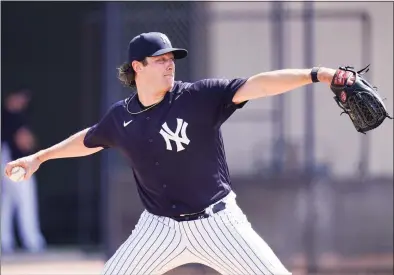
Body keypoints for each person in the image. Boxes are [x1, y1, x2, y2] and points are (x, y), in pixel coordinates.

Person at [4, 32, 337, 274]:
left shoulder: (198, 97)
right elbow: (89, 139)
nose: (169, 65)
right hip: (158, 229)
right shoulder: (122, 116)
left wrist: (317, 75)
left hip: (218, 222)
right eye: (160, 60)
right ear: (138, 66)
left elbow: (259, 84)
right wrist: (39, 157)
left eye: (171, 60)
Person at [1, 89, 46, 254]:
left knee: (6, 203)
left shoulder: (9, 117)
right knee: (25, 201)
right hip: (15, 163)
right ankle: (32, 241)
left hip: (7, 162)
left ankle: (5, 241)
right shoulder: (14, 118)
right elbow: (25, 142)